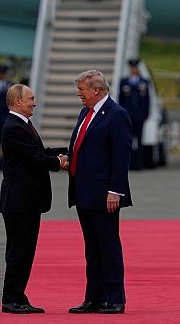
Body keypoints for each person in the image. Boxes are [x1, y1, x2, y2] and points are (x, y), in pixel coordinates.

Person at [67, 70, 133, 315]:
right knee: (92, 248)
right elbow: (81, 147)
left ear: (96, 90)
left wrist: (115, 191)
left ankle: (115, 299)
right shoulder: (86, 112)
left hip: (105, 195)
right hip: (84, 192)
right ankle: (93, 298)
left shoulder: (116, 115)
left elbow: (121, 156)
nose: (79, 94)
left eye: (82, 90)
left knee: (109, 247)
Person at [0, 84, 69, 314]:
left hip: (27, 201)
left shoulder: (22, 124)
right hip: (19, 202)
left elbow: (40, 150)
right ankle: (11, 299)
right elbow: (34, 158)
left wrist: (68, 151)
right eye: (31, 99)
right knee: (19, 252)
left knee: (25, 251)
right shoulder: (13, 127)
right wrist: (59, 162)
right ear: (17, 101)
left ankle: (18, 295)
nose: (34, 103)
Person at [118, 58, 151, 171]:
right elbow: (121, 99)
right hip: (128, 116)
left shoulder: (143, 81)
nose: (133, 70)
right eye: (132, 68)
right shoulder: (124, 82)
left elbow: (147, 99)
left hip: (139, 115)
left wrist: (146, 113)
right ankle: (129, 164)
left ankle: (139, 164)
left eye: (135, 68)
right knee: (129, 141)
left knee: (140, 140)